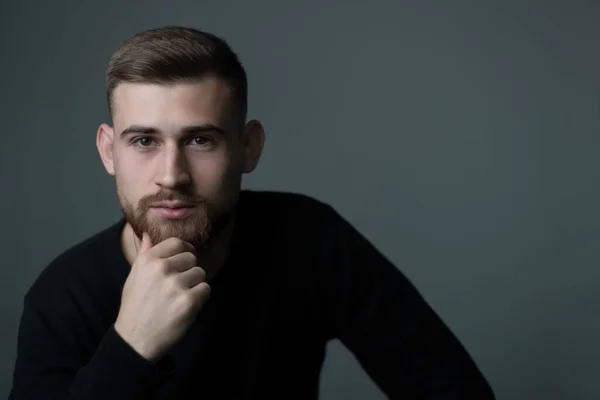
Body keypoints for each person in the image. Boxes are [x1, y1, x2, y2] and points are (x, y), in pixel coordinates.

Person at [9, 26, 495, 399]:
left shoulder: (310, 241)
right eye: (143, 141)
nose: (171, 174)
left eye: (200, 140)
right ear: (109, 151)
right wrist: (130, 346)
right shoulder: (62, 297)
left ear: (248, 148)